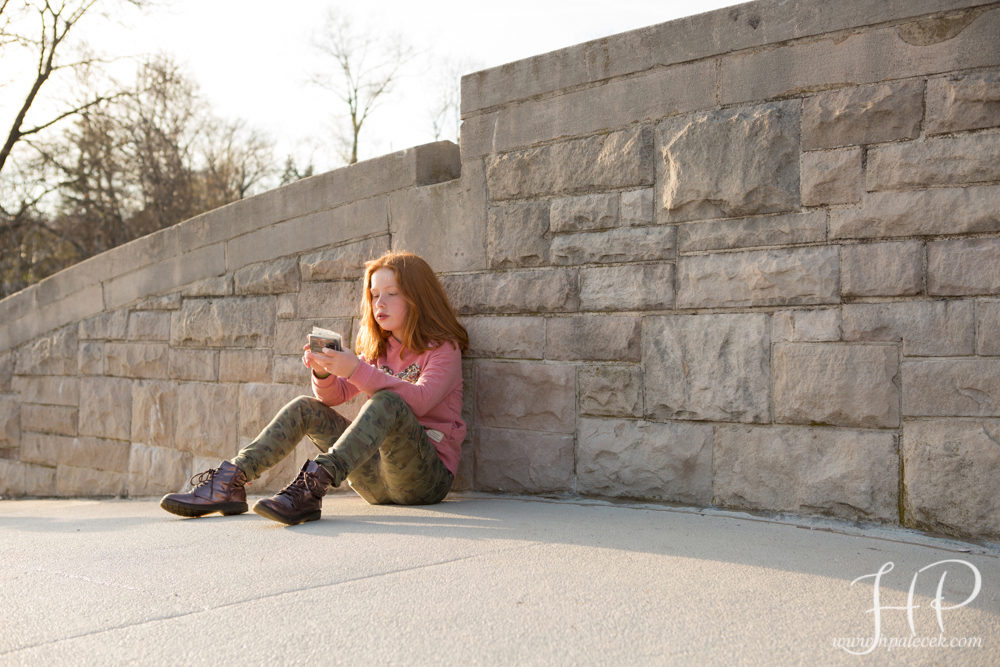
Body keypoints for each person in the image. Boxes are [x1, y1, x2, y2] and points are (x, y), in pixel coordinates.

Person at [160, 251, 469, 525]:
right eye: (374, 295)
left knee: (388, 401)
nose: (380, 303)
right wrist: (324, 372)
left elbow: (422, 401)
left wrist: (356, 369)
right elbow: (333, 398)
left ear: (418, 297)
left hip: (424, 480)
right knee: (305, 406)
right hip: (375, 481)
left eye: (392, 293)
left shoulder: (443, 348)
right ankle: (229, 482)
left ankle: (311, 486)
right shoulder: (377, 350)